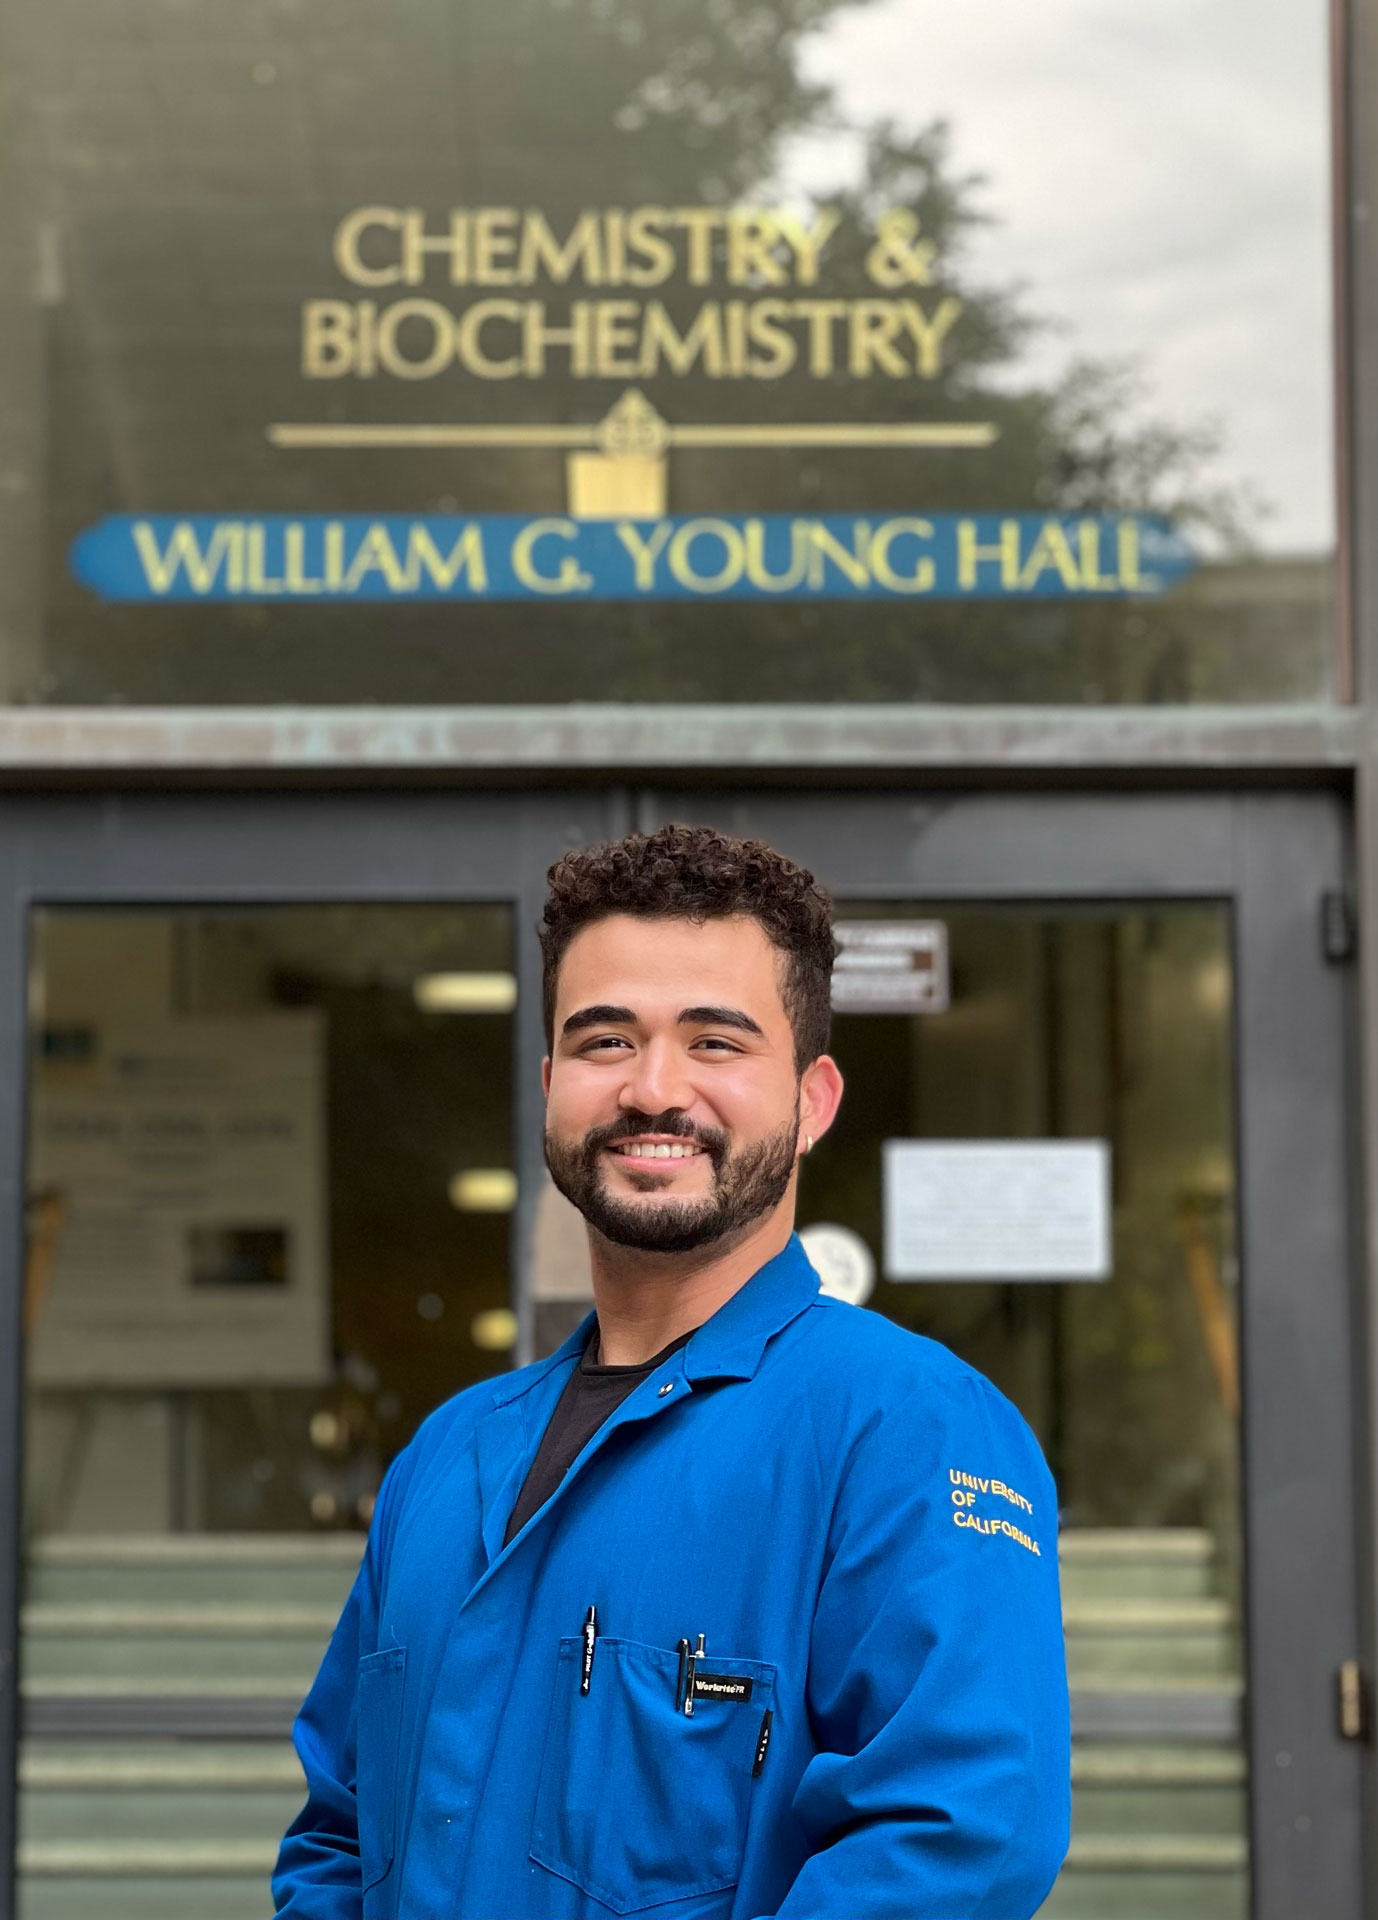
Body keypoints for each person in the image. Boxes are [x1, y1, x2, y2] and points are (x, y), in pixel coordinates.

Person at [273, 824, 1070, 1920]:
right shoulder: (447, 1456)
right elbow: (335, 1835)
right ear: (551, 1086)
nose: (653, 1090)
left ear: (813, 1101)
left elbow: (955, 1845)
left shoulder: (906, 1429)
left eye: (715, 1043)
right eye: (605, 1042)